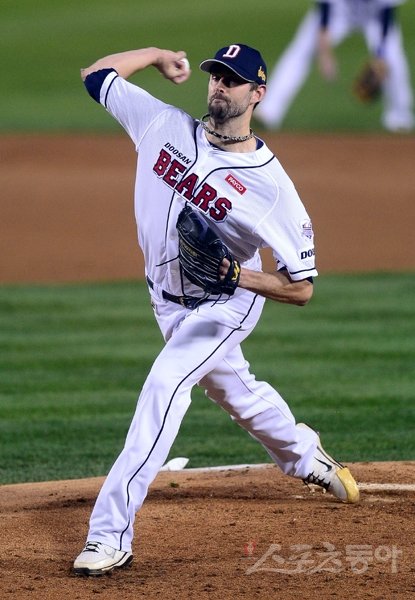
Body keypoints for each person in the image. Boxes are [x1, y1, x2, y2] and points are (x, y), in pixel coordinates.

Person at [73, 43, 359, 577]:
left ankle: (109, 533)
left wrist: (237, 276)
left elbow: (301, 288)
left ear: (257, 94)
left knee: (165, 388)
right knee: (233, 390)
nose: (220, 86)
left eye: (233, 80)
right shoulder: (162, 124)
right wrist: (158, 54)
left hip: (224, 306)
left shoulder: (271, 189)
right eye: (215, 77)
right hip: (165, 300)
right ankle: (303, 452)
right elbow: (97, 74)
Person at [255, 0, 414, 132]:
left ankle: (400, 117)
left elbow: (387, 12)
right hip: (337, 13)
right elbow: (325, 6)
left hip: (374, 17)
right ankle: (269, 111)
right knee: (301, 51)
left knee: (393, 59)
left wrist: (381, 55)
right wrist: (325, 51)